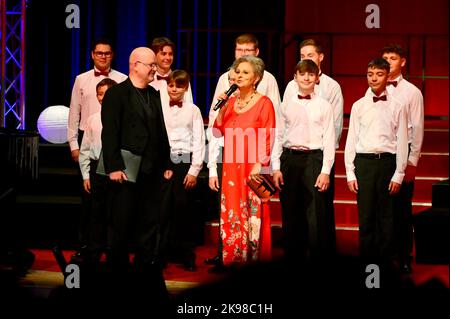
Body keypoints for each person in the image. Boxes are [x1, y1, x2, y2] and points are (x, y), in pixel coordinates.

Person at [205, 33, 281, 270]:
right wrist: (220, 107)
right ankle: (232, 259)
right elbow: (217, 131)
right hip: (230, 163)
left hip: (252, 165)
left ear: (256, 78)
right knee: (232, 211)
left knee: (253, 213)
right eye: (237, 72)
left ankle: (253, 264)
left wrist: (261, 164)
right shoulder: (229, 101)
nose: (239, 76)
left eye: (245, 73)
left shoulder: (264, 102)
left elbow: (268, 134)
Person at [101, 47, 172, 276]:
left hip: (150, 170)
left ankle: (145, 268)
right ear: (135, 65)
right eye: (151, 65)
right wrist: (113, 167)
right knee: (121, 221)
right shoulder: (117, 93)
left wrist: (167, 164)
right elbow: (110, 132)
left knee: (149, 221)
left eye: (154, 65)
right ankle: (117, 270)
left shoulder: (153, 93)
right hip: (125, 170)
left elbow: (161, 131)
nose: (155, 68)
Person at [344, 58, 408, 266]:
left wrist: (399, 173)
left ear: (387, 76)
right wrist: (350, 172)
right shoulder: (358, 105)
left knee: (387, 216)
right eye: (370, 74)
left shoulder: (398, 106)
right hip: (364, 164)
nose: (374, 78)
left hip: (387, 163)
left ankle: (386, 264)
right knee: (366, 215)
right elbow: (351, 139)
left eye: (379, 74)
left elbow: (401, 141)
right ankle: (367, 263)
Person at [67, 38, 127, 260]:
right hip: (90, 138)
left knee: (114, 204)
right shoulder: (81, 79)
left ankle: (112, 246)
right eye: (99, 53)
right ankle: (88, 246)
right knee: (90, 201)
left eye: (107, 53)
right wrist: (73, 143)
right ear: (92, 54)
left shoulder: (122, 79)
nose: (103, 56)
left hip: (116, 143)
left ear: (112, 55)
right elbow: (74, 112)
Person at [272, 59, 336, 261]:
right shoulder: (286, 105)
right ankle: (293, 260)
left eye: (310, 74)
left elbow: (329, 139)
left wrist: (325, 170)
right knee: (290, 211)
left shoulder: (324, 106)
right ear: (295, 77)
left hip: (314, 159)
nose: (306, 78)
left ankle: (318, 261)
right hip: (289, 159)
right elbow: (278, 137)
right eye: (302, 74)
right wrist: (276, 167)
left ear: (317, 78)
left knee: (316, 213)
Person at [283, 38, 343, 235]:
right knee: (293, 208)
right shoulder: (291, 88)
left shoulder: (331, 87)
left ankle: (321, 257)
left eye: (310, 55)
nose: (306, 59)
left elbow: (334, 127)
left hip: (318, 156)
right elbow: (282, 127)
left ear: (321, 57)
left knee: (320, 210)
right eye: (302, 56)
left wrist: (326, 165)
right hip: (291, 155)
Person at [380, 44, 424, 274]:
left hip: (404, 150)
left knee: (402, 208)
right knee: (382, 207)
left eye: (393, 58)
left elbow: (417, 128)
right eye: (385, 58)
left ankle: (404, 255)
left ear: (402, 62)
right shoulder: (374, 88)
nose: (388, 62)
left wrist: (412, 162)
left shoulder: (412, 92)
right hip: (382, 151)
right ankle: (385, 253)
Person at [159, 70, 205, 272]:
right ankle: (160, 254)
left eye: (178, 86)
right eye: (170, 85)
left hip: (184, 161)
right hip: (164, 162)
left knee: (183, 209)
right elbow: (157, 138)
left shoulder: (193, 110)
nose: (174, 89)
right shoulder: (160, 107)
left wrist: (194, 169)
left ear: (185, 88)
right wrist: (163, 166)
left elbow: (198, 140)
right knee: (161, 211)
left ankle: (186, 254)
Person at [78, 78, 117, 265]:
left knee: (114, 212)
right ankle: (93, 251)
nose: (103, 98)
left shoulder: (122, 117)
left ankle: (112, 251)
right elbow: (85, 150)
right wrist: (86, 175)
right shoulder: (92, 119)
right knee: (96, 211)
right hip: (96, 167)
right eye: (100, 94)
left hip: (115, 168)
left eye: (107, 93)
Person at [150, 37, 193, 103]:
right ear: (154, 56)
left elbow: (189, 105)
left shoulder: (181, 79)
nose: (168, 57)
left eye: (170, 54)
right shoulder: (148, 79)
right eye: (163, 54)